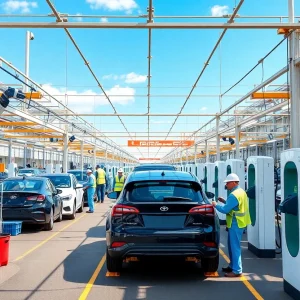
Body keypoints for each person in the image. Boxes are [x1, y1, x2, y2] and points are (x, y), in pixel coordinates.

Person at [212, 173, 251, 278]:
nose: (226, 185)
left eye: (228, 183)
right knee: (231, 245)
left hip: (236, 223)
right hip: (239, 222)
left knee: (235, 247)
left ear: (234, 182)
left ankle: (237, 270)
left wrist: (216, 205)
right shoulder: (240, 192)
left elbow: (225, 210)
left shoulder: (233, 195)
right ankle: (232, 265)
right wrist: (225, 201)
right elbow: (235, 206)